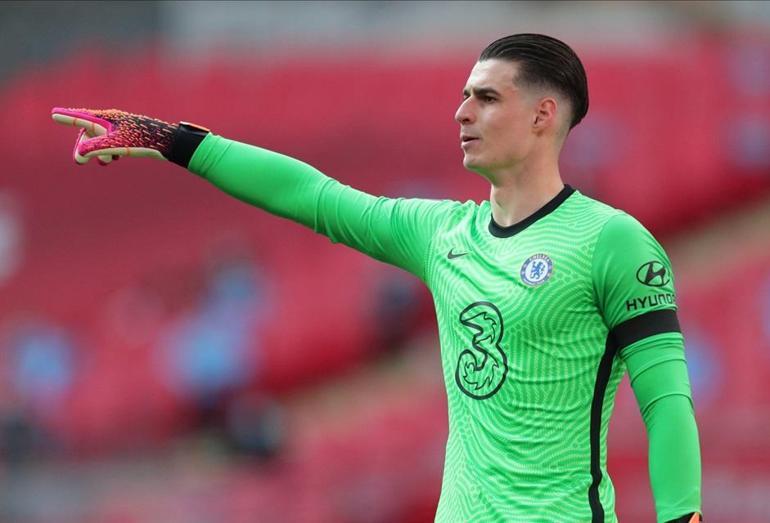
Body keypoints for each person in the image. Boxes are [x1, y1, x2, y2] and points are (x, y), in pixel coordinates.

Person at [51, 33, 701, 523]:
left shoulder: (611, 241)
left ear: (544, 115)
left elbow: (666, 401)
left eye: (486, 97)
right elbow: (311, 195)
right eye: (463, 95)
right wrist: (165, 138)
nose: (462, 112)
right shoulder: (442, 233)